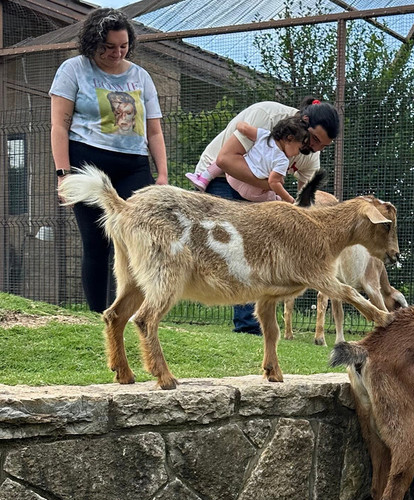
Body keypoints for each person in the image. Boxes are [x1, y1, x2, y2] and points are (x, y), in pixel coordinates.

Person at [187, 97, 340, 334]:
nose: (316, 148)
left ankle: (250, 325)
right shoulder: (267, 116)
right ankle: (243, 322)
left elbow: (303, 198)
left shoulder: (310, 154)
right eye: (315, 139)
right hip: (219, 175)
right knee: (236, 247)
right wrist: (270, 186)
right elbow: (225, 160)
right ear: (304, 121)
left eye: (324, 146)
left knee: (256, 248)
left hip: (260, 187)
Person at [49, 7, 168, 313]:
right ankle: (96, 315)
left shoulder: (141, 76)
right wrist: (63, 174)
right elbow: (59, 125)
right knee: (97, 242)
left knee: (135, 242)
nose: (117, 53)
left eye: (123, 46)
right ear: (92, 43)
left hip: (133, 165)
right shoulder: (73, 69)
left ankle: (133, 313)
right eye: (108, 47)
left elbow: (154, 131)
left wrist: (162, 175)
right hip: (88, 160)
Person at [186, 118, 308, 204]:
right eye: (299, 148)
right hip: (252, 192)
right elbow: (273, 182)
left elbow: (244, 128)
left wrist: (239, 122)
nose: (298, 153)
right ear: (290, 138)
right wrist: (289, 199)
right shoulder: (282, 161)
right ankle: (275, 200)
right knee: (273, 192)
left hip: (233, 177)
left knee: (227, 159)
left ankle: (204, 178)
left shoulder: (264, 135)